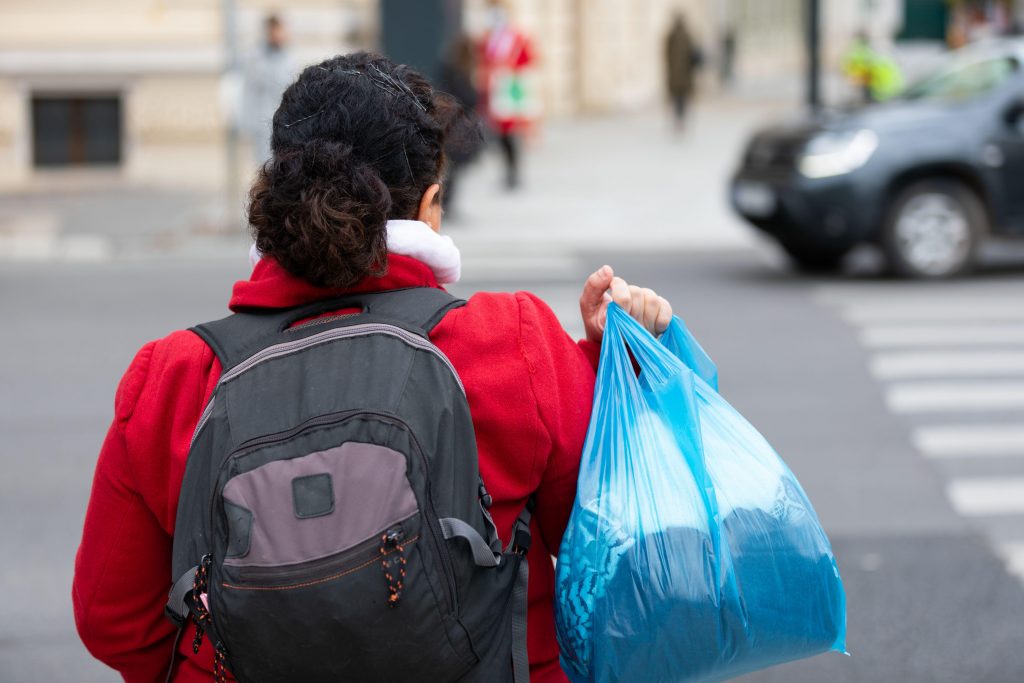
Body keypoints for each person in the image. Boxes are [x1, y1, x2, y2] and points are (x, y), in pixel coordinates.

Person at [72, 52, 673, 682]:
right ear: (431, 205)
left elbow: (111, 619)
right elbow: (616, 557)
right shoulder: (512, 345)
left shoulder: (173, 377)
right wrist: (615, 368)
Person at [479, 0, 536, 190]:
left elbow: (529, 62)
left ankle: (514, 170)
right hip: (496, 87)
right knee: (501, 132)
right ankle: (508, 169)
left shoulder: (516, 38)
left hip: (511, 88)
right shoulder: (488, 39)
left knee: (511, 131)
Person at [438, 33, 484, 215]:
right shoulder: (458, 71)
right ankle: (446, 203)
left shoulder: (450, 67)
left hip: (450, 124)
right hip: (456, 126)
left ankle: (446, 202)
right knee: (453, 168)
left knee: (452, 168)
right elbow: (468, 98)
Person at [241, 13, 295, 164]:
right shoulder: (256, 57)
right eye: (274, 31)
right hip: (262, 123)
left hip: (285, 122)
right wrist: (246, 122)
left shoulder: (289, 57)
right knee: (264, 163)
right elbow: (249, 90)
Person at [665, 14, 700, 132]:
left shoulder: (671, 36)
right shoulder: (687, 36)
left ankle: (678, 121)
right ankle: (681, 120)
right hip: (685, 76)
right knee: (682, 99)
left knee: (677, 100)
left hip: (675, 76)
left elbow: (666, 56)